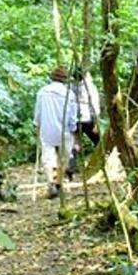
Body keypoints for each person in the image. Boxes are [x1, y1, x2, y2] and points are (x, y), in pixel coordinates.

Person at [34, 66, 78, 198]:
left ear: (51, 78)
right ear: (65, 80)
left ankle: (51, 184)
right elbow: (72, 115)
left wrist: (37, 125)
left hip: (47, 129)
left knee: (47, 157)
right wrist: (73, 128)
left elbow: (38, 112)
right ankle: (58, 183)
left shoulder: (42, 92)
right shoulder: (69, 94)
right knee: (63, 158)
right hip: (64, 130)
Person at [68, 69, 101, 175]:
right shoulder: (90, 87)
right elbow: (95, 104)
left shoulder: (70, 88)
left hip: (75, 119)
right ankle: (101, 161)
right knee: (98, 141)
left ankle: (72, 166)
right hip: (87, 118)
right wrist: (96, 120)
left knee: (75, 142)